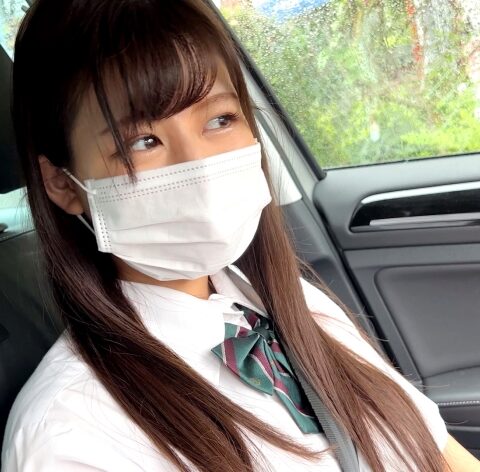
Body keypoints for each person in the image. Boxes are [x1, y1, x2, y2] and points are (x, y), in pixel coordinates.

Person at [1, 0, 478, 471]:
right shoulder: (71, 436)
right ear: (63, 183)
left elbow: (434, 450)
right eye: (143, 141)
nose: (200, 166)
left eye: (220, 120)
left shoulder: (289, 301)